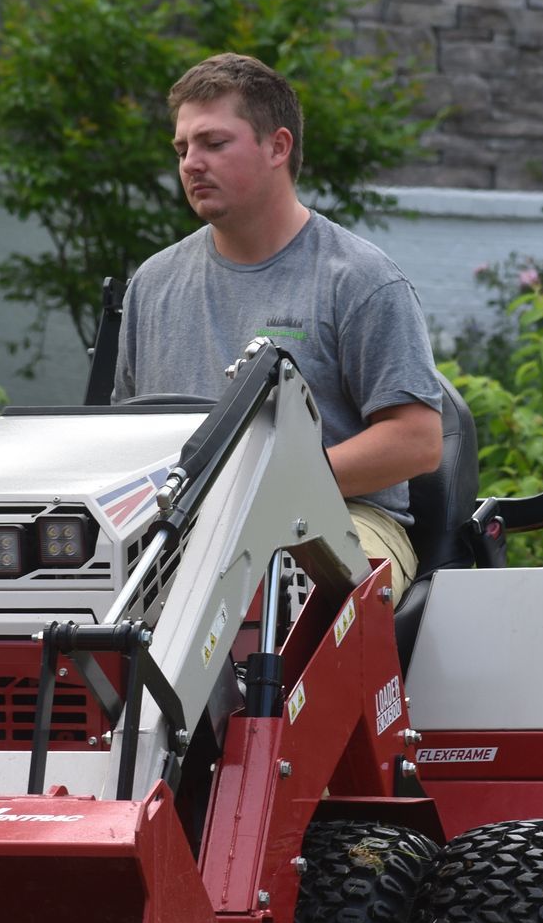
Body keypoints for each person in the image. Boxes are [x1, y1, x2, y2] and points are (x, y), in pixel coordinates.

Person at [113, 52, 453, 590]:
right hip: (181, 528)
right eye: (182, 149)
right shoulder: (152, 284)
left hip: (343, 518)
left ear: (278, 147)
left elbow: (417, 441)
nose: (191, 163)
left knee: (277, 591)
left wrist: (270, 488)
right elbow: (121, 437)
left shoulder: (359, 279)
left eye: (213, 143)